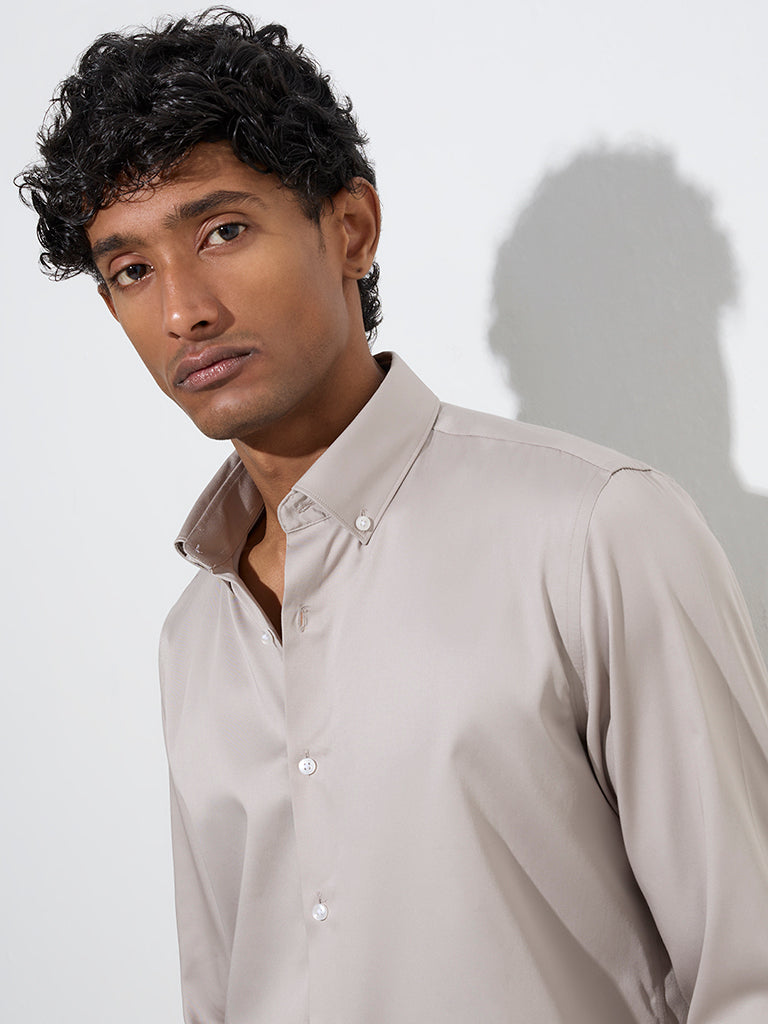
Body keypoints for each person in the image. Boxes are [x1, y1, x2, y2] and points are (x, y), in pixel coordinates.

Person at [18, 9, 768, 1024]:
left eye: (223, 231)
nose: (184, 310)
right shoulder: (196, 636)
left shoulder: (595, 532)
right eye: (131, 270)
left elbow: (749, 969)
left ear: (351, 229)